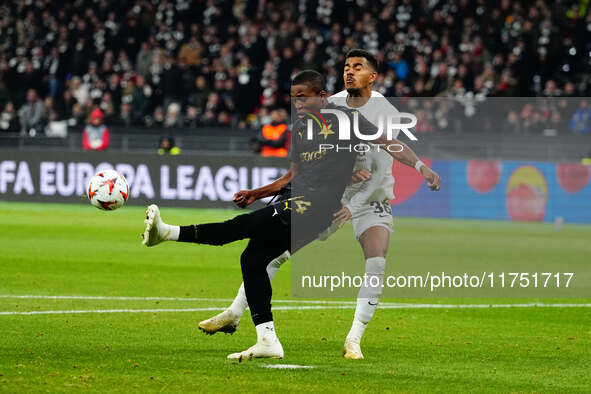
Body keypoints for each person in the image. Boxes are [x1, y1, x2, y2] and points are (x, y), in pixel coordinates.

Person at [141, 70, 441, 361]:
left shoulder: (347, 120)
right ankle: (266, 339)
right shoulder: (298, 130)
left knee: (242, 226)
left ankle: (166, 233)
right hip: (297, 199)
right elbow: (293, 175)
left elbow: (389, 142)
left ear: (322, 97)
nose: (297, 104)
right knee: (254, 259)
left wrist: (420, 167)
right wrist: (257, 192)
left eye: (303, 97)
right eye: (294, 98)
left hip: (318, 207)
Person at [199, 49, 408, 359]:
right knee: (274, 254)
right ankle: (234, 312)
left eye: (358, 67)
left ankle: (354, 340)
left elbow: (383, 162)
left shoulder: (386, 112)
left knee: (376, 261)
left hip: (372, 196)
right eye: (346, 66)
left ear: (372, 77)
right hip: (333, 197)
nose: (349, 72)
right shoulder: (331, 103)